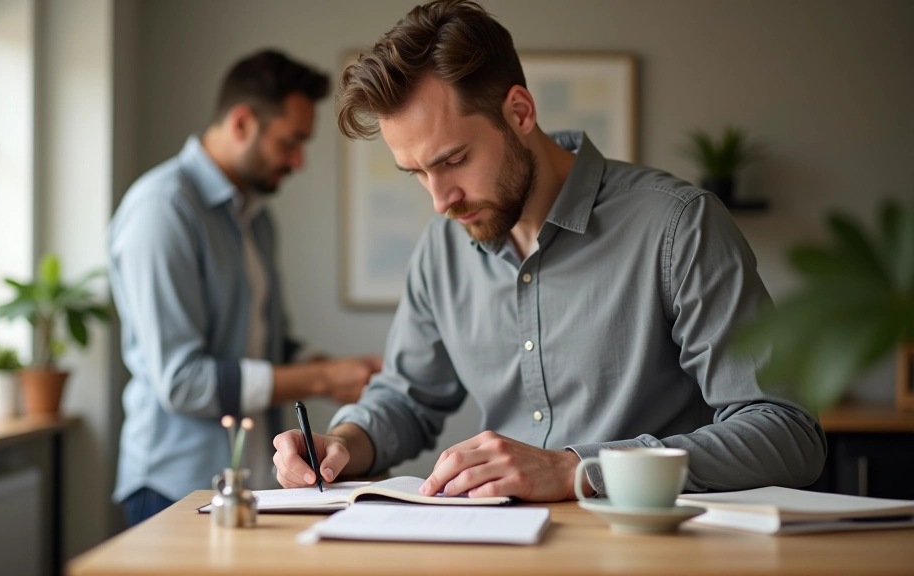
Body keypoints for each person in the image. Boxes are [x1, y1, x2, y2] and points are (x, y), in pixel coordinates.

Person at [272, 0, 825, 502]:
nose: (440, 201)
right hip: (500, 548)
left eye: (454, 160)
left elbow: (786, 433)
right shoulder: (443, 248)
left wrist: (578, 469)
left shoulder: (679, 226)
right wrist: (342, 442)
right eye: (416, 172)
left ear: (519, 112)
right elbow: (406, 399)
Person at [109, 49, 381, 526]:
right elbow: (182, 381)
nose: (299, 161)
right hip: (175, 487)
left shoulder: (256, 219)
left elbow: (266, 346)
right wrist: (321, 379)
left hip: (251, 485)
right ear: (241, 123)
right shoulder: (162, 209)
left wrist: (335, 369)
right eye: (291, 142)